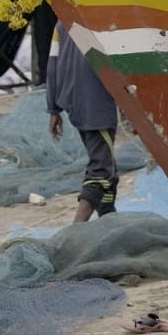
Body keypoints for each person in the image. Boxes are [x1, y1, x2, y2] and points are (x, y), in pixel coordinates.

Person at [46, 27, 121, 222]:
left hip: (71, 98)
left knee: (107, 164)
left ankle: (108, 218)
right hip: (96, 102)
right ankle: (76, 230)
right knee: (101, 169)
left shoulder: (60, 21)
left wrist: (53, 108)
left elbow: (52, 63)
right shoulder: (100, 12)